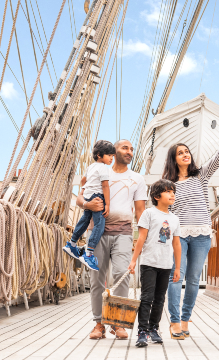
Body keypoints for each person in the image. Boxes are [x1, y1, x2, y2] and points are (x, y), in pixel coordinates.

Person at [163, 123, 219, 338]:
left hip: (201, 235)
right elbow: (164, 214)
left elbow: (217, 159)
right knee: (175, 277)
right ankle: (173, 321)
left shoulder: (200, 176)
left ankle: (185, 319)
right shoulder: (168, 184)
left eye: (187, 151)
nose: (185, 155)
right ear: (174, 158)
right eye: (180, 153)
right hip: (178, 235)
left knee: (193, 280)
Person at [76, 140, 147, 340]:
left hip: (123, 233)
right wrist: (87, 205)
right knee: (97, 278)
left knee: (121, 274)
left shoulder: (137, 179)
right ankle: (98, 324)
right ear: (113, 152)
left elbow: (140, 211)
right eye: (125, 148)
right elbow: (80, 199)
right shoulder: (97, 171)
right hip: (96, 232)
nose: (130, 152)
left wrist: (142, 237)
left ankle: (118, 323)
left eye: (132, 149)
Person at [128, 179, 181, 347]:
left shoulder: (174, 219)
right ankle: (142, 331)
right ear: (157, 196)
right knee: (147, 297)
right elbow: (141, 238)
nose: (172, 194)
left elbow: (176, 244)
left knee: (159, 299)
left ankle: (154, 328)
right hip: (149, 263)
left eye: (173, 191)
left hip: (166, 265)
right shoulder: (149, 214)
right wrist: (133, 260)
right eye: (168, 191)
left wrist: (178, 267)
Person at [63, 140, 115, 271]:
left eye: (112, 156)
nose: (111, 159)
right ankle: (89, 254)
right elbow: (105, 186)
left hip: (88, 195)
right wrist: (107, 204)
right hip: (98, 196)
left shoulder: (90, 167)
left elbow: (82, 181)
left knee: (85, 220)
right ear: (99, 155)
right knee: (99, 225)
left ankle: (72, 244)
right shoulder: (103, 168)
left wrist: (87, 189)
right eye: (109, 155)